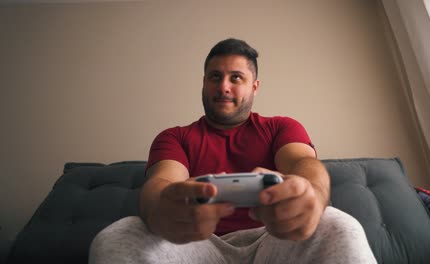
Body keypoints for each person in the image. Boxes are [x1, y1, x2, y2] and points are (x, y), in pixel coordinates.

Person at [89, 38, 376, 264]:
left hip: (275, 239)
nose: (223, 86)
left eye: (236, 78)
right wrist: (160, 210)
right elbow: (160, 184)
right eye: (214, 77)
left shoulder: (281, 127)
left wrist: (311, 193)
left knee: (337, 224)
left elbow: (303, 164)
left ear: (255, 86)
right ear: (203, 83)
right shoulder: (174, 137)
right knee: (118, 235)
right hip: (196, 244)